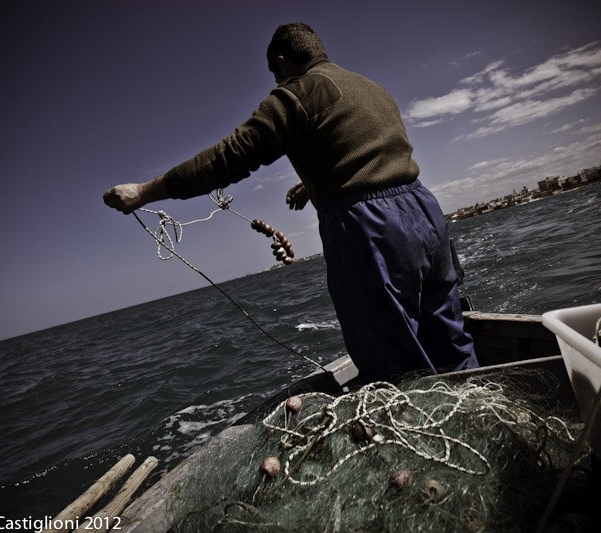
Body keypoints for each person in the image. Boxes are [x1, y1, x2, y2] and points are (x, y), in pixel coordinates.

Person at [104, 23, 478, 381]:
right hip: (425, 213)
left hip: (371, 227)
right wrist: (312, 183)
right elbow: (367, 150)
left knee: (394, 362)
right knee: (450, 337)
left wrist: (144, 192)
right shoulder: (371, 87)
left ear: (282, 63)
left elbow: (229, 157)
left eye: (275, 72)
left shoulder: (299, 92)